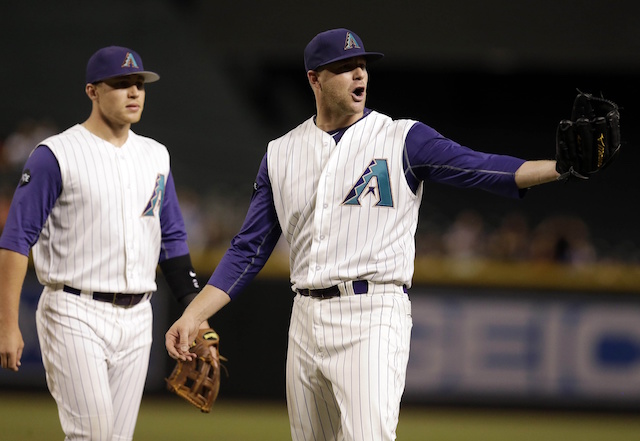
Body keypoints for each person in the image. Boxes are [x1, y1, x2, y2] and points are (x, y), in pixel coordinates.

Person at [165, 28, 561, 441]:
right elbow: (249, 248)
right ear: (314, 79)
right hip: (304, 316)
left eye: (362, 66)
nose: (359, 76)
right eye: (345, 68)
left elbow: (481, 167)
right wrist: (195, 313)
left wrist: (560, 167)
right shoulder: (280, 152)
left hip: (372, 312)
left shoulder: (403, 138)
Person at [0, 46, 204, 441]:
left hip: (138, 316)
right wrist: (7, 324)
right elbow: (15, 239)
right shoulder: (55, 154)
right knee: (91, 434)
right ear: (92, 91)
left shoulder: (156, 156)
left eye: (139, 84)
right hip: (73, 310)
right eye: (121, 84)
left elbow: (173, 240)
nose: (134, 92)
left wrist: (195, 313)